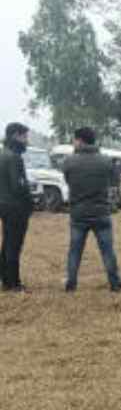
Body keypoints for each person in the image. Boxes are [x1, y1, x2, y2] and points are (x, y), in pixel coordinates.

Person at [63, 127, 121, 292]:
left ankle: (71, 284)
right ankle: (115, 283)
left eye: (74, 140)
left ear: (79, 140)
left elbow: (68, 181)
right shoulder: (106, 161)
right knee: (107, 250)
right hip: (101, 212)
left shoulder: (69, 161)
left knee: (75, 251)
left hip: (78, 212)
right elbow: (113, 182)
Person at [0, 123, 33, 292]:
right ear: (15, 135)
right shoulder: (14, 157)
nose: (27, 140)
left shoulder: (2, 154)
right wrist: (29, 198)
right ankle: (14, 283)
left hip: (4, 205)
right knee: (14, 245)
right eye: (24, 136)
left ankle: (6, 280)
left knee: (7, 243)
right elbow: (18, 186)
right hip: (16, 207)